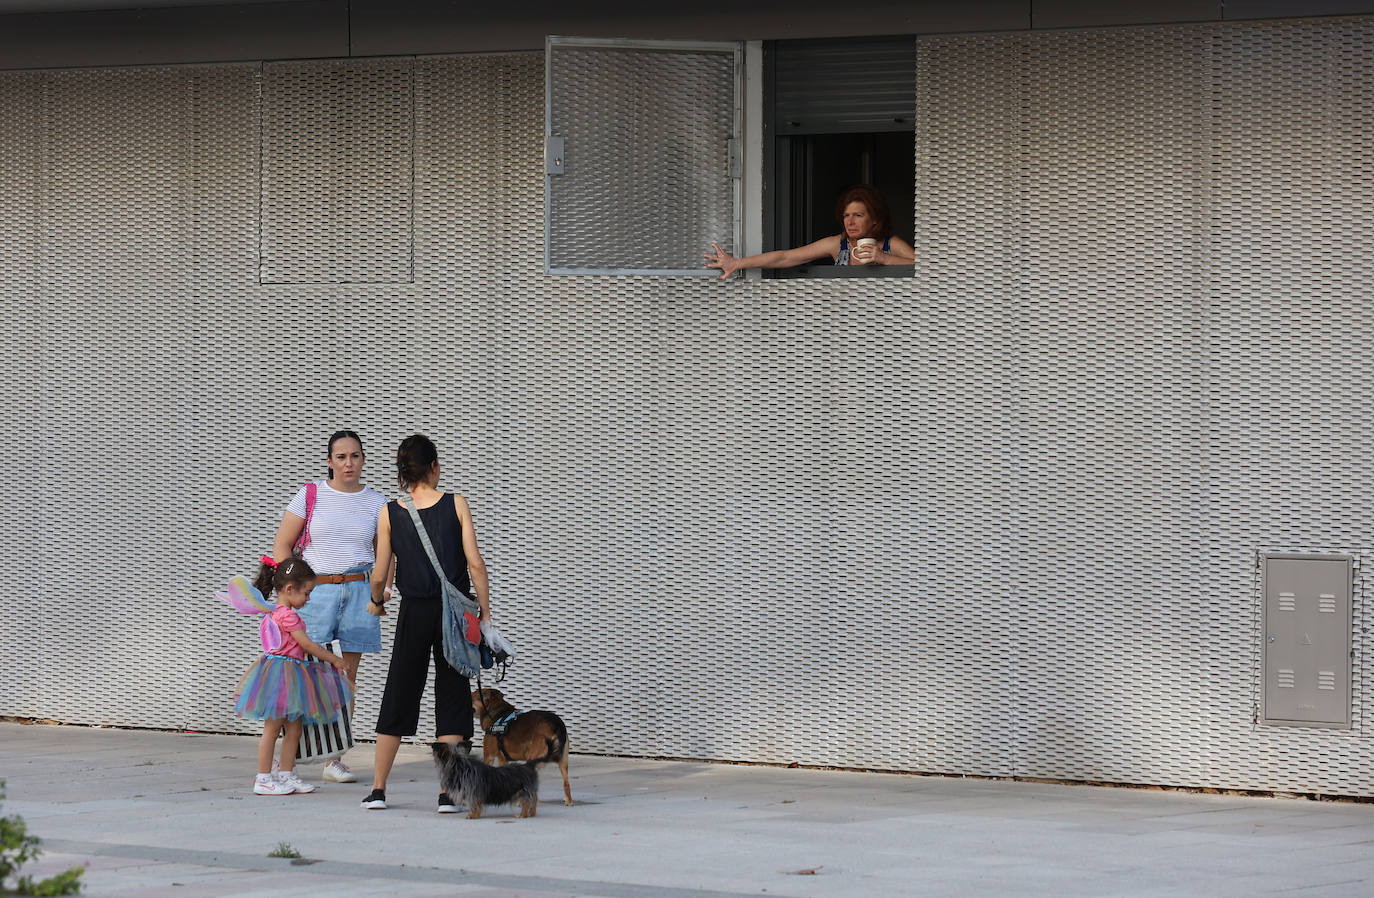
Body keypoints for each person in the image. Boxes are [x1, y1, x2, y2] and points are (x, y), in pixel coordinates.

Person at [361, 434, 493, 813]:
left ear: (402, 473)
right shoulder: (457, 504)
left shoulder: (390, 512)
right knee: (452, 692)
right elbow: (476, 564)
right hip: (455, 613)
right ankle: (447, 793)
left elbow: (379, 573)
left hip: (413, 611)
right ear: (435, 467)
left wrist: (376, 602)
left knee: (400, 690)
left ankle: (378, 789)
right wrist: (484, 613)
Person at [270, 430, 389, 784]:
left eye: (355, 456)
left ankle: (334, 758)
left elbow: (385, 553)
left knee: (345, 679)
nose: (348, 463)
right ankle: (285, 759)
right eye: (341, 456)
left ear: (363, 459)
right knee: (302, 675)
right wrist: (291, 590)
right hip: (316, 593)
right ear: (329, 461)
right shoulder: (311, 495)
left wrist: (380, 593)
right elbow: (283, 545)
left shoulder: (377, 502)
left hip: (359, 591)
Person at [234, 556, 352, 796]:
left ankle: (286, 773)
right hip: (282, 676)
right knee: (273, 728)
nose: (308, 599)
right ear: (289, 589)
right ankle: (264, 777)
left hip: (290, 675)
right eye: (306, 593)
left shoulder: (276, 612)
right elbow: (308, 645)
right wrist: (335, 660)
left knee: (294, 728)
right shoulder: (287, 616)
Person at [704, 184, 915, 279]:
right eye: (846, 215)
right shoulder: (837, 244)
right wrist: (737, 263)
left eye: (858, 215)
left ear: (875, 220)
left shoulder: (891, 244)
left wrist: (884, 259)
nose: (850, 222)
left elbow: (929, 270)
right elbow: (786, 257)